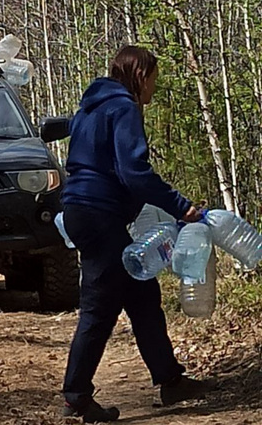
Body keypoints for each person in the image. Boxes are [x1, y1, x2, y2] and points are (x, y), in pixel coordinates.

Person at [61, 46, 217, 422]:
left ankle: (170, 380)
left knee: (143, 294)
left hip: (81, 210)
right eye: (153, 81)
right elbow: (134, 172)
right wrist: (181, 206)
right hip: (99, 215)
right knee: (99, 308)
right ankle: (76, 397)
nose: (153, 90)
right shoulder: (123, 107)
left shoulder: (90, 108)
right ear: (140, 75)